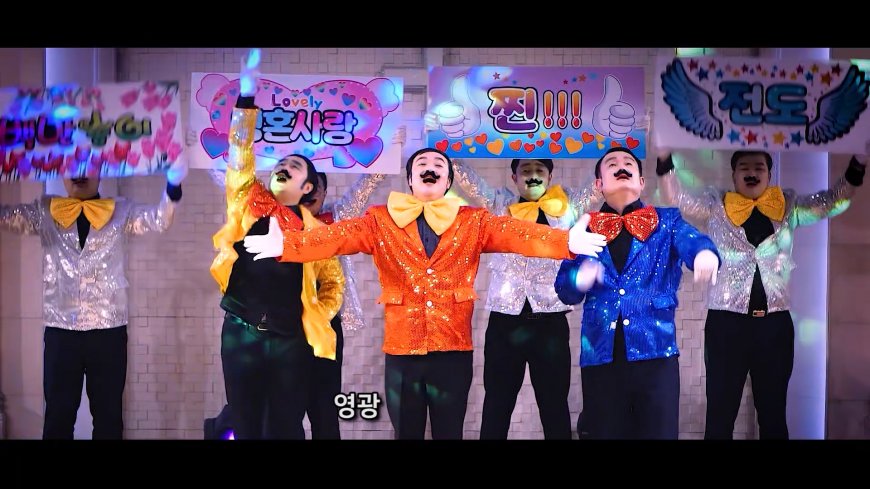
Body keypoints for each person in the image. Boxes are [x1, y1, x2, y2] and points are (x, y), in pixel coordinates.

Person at [242, 146, 602, 439]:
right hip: (402, 350)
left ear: (448, 181)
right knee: (406, 433)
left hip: (453, 349)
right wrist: (287, 245)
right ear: (411, 179)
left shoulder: (473, 221)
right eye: (422, 165)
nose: (430, 168)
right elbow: (335, 237)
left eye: (438, 166)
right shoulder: (380, 220)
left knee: (449, 432)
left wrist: (565, 242)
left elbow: (519, 234)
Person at [656, 142, 867, 439]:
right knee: (720, 415)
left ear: (769, 174)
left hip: (774, 327)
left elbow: (833, 201)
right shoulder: (716, 205)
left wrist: (858, 163)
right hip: (726, 325)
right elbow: (677, 198)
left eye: (759, 168)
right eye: (744, 168)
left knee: (773, 414)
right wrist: (664, 159)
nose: (752, 173)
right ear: (733, 175)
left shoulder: (789, 205)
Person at [0, 152, 186, 439]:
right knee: (57, 420)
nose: (80, 173)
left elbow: (159, 218)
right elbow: (6, 217)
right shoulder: (46, 210)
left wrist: (173, 185)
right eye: (72, 167)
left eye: (87, 166)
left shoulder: (121, 210)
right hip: (61, 332)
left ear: (101, 171)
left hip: (109, 332)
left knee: (109, 420)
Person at [209, 49, 344, 439]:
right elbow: (240, 154)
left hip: (290, 341)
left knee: (285, 426)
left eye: (295, 166)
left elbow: (334, 285)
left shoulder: (318, 232)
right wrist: (246, 97)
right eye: (281, 164)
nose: (284, 166)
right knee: (245, 424)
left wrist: (313, 314)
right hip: (241, 330)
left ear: (307, 187)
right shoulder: (246, 201)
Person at [555, 146, 720, 439]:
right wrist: (578, 279)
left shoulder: (667, 221)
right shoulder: (585, 227)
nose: (621, 166)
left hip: (656, 354)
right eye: (612, 164)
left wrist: (703, 254)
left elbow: (693, 240)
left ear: (642, 182)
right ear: (599, 184)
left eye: (629, 163)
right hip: (601, 357)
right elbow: (564, 290)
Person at [450, 156, 601, 439]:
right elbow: (471, 184)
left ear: (550, 176)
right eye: (525, 170)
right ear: (514, 178)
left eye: (539, 170)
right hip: (505, 322)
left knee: (554, 406)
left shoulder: (567, 205)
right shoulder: (499, 204)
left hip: (551, 322)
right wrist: (448, 150)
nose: (533, 175)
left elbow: (599, 186)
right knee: (497, 404)